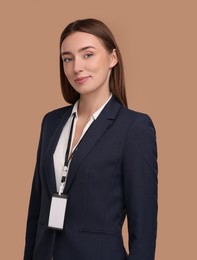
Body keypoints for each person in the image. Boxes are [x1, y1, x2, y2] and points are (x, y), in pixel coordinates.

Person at [24, 18, 158, 260]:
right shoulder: (51, 123)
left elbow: (144, 226)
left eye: (88, 55)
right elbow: (36, 210)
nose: (76, 67)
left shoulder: (134, 128)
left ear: (113, 58)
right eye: (68, 58)